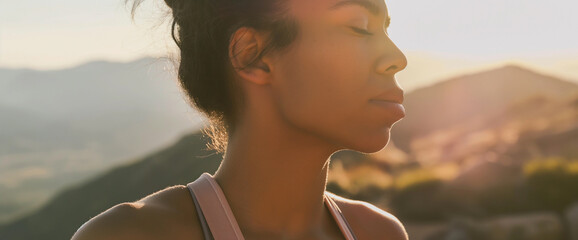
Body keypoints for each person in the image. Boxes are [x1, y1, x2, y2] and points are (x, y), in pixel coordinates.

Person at [72, 0, 408, 239]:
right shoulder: (129, 236)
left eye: (385, 30)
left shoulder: (380, 233)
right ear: (253, 55)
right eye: (360, 27)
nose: (397, 58)